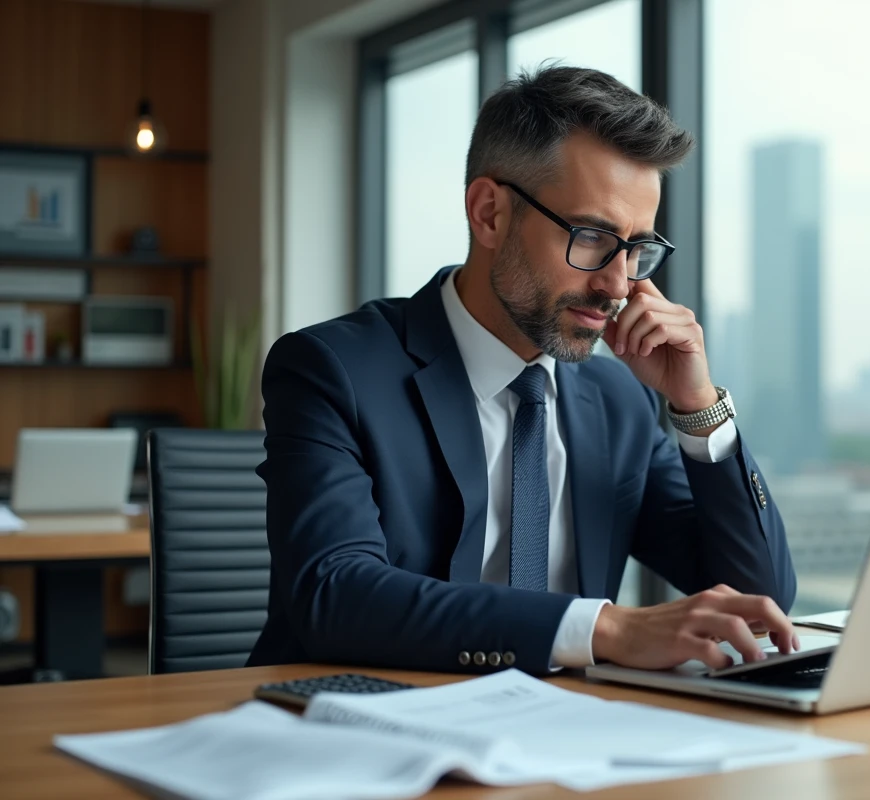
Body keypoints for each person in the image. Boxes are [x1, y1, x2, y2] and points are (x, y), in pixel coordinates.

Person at [247, 66, 798, 676]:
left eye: (637, 248)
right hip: (362, 731)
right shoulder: (335, 371)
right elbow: (335, 594)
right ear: (489, 213)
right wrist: (605, 627)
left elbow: (759, 603)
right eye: (592, 237)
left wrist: (698, 407)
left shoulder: (618, 402)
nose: (618, 283)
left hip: (564, 737)